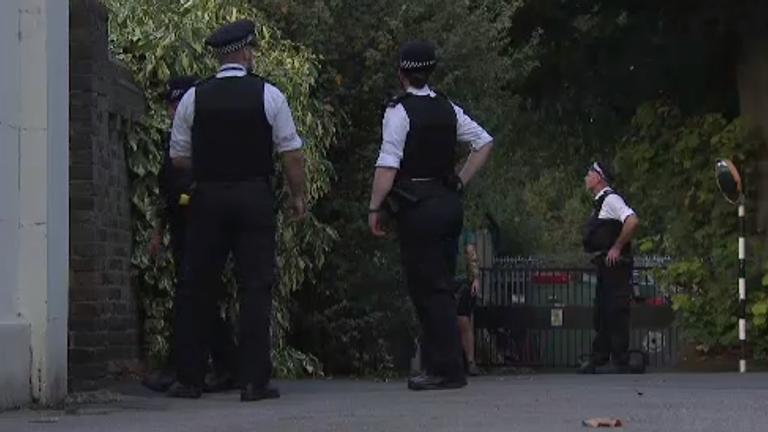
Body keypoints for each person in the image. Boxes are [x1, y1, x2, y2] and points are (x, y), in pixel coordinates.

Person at [167, 18, 307, 401]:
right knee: (255, 287)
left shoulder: (194, 97)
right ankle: (253, 380)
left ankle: (189, 379)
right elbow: (291, 153)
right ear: (246, 52)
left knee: (198, 287)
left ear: (220, 56)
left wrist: (210, 169)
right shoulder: (270, 95)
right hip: (254, 197)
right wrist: (298, 195)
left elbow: (178, 157)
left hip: (208, 198)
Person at [367, 41, 494, 391]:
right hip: (447, 202)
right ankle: (444, 364)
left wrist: (375, 207)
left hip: (417, 205)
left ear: (401, 75)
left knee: (427, 287)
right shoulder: (448, 109)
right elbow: (483, 142)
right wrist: (459, 180)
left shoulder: (399, 111)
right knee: (440, 282)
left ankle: (445, 368)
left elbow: (388, 164)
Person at [142, 75, 239, 394]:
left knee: (194, 300)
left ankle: (192, 369)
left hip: (202, 227)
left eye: (176, 103)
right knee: (195, 300)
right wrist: (158, 233)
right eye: (170, 104)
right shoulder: (174, 139)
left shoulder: (203, 140)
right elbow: (166, 192)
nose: (172, 110)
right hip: (181, 229)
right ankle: (216, 367)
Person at [578, 161, 640, 374]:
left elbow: (632, 221)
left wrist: (617, 247)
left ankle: (620, 358)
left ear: (599, 177)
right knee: (603, 311)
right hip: (606, 266)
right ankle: (601, 357)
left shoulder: (611, 199)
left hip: (616, 266)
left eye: (589, 173)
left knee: (615, 310)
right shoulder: (600, 202)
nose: (586, 177)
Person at [455, 229, 481, 376]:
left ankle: (470, 362)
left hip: (462, 280)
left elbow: (471, 255)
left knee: (463, 320)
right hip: (445, 279)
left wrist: (475, 278)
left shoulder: (465, 233)